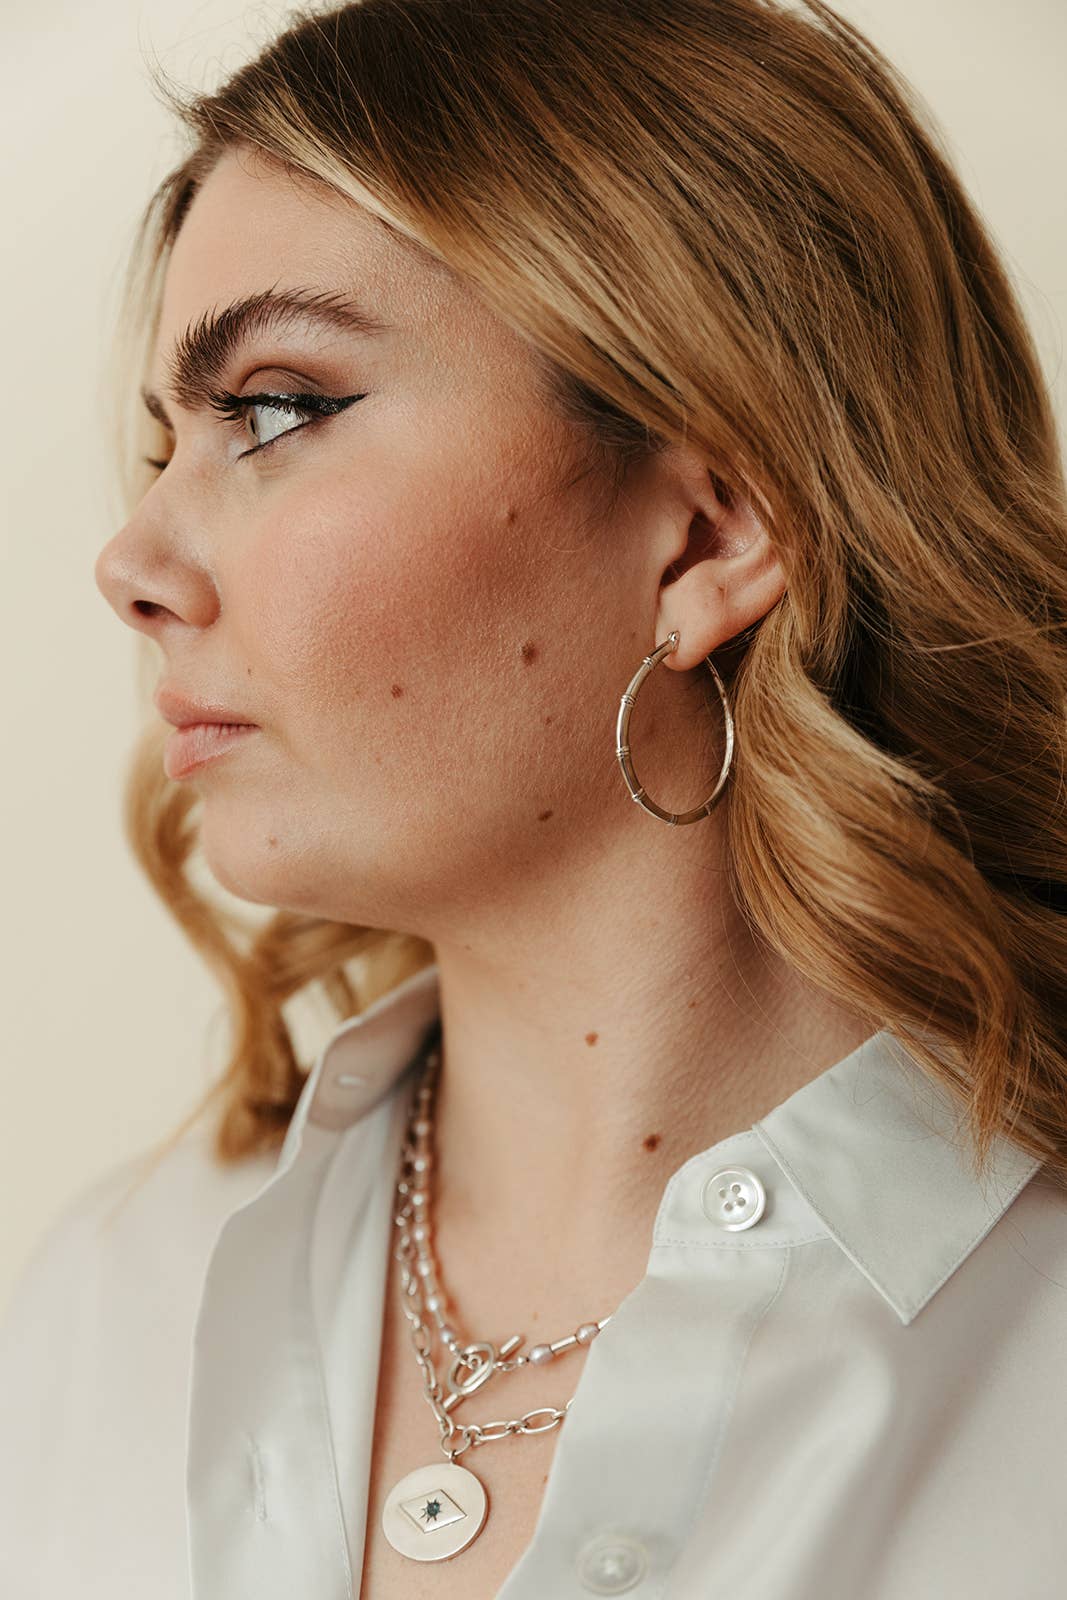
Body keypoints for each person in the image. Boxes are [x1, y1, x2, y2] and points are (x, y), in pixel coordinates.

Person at [3, 0, 1066, 1595]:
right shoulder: (105, 1309)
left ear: (710, 537)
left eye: (277, 410)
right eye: (166, 442)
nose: (133, 565)